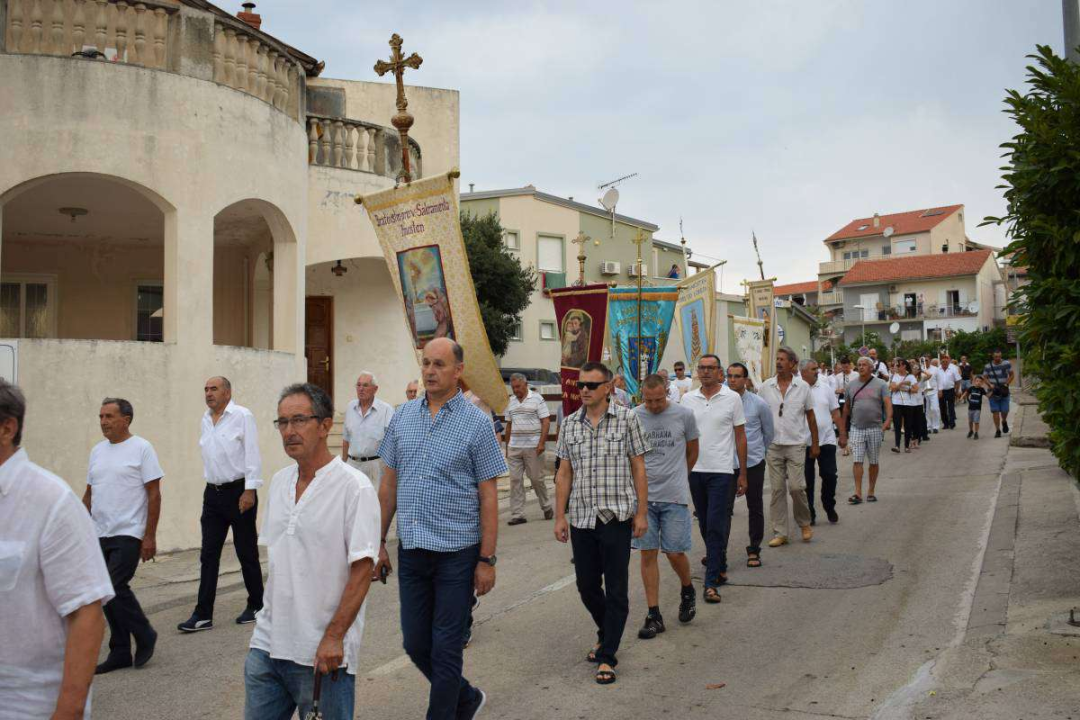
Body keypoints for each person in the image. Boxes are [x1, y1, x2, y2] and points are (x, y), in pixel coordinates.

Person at [375, 338, 506, 717]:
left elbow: (488, 497)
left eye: (439, 365)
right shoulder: (402, 416)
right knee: (416, 643)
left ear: (458, 371)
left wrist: (487, 559)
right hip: (413, 550)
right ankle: (466, 697)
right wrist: (378, 541)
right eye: (426, 364)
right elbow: (389, 486)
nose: (430, 371)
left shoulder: (478, 424)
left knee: (446, 647)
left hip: (457, 554)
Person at [244, 383, 380, 720]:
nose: (289, 431)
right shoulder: (279, 483)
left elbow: (362, 571)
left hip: (323, 654)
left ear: (323, 426)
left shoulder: (354, 487)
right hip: (267, 646)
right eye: (283, 422)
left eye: (299, 420)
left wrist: (334, 637)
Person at [0, 380, 114, 719]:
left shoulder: (51, 501)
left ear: (7, 428)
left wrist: (69, 710)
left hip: (27, 704)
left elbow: (87, 613)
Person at [553, 361, 649, 685]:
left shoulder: (627, 419)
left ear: (608, 387)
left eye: (592, 385)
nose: (584, 390)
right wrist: (559, 515)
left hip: (617, 516)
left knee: (617, 588)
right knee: (586, 585)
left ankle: (608, 655)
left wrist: (642, 512)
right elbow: (564, 472)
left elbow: (639, 467)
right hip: (581, 517)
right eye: (581, 385)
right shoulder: (569, 424)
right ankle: (606, 630)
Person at [179, 376, 264, 633]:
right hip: (213, 495)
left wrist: (250, 490)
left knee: (245, 551)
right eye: (205, 389)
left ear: (227, 392)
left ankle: (258, 605)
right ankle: (203, 614)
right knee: (208, 555)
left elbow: (252, 453)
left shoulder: (242, 415)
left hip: (239, 492)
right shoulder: (205, 419)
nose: (208, 393)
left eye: (213, 389)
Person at [83, 398, 162, 674]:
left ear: (126, 419)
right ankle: (119, 651)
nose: (103, 421)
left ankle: (145, 634)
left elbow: (154, 493)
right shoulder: (97, 451)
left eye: (109, 416)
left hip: (129, 531)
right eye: (101, 416)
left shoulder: (142, 448)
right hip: (99, 532)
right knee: (105, 594)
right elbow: (90, 493)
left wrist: (149, 536)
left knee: (115, 586)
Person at [631, 374, 700, 639]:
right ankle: (654, 614)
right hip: (644, 499)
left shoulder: (684, 415)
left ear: (667, 392)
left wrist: (681, 474)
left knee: (674, 552)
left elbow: (693, 449)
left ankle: (687, 588)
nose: (655, 405)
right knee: (647, 553)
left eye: (659, 399)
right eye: (649, 401)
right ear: (642, 396)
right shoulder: (634, 416)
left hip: (674, 496)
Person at [681, 354, 747, 598]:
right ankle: (718, 566)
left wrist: (743, 473)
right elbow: (682, 435)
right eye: (702, 368)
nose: (706, 372)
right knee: (706, 523)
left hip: (722, 470)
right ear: (697, 371)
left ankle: (710, 583)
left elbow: (740, 436)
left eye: (711, 368)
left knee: (717, 523)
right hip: (695, 470)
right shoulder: (687, 399)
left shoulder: (732, 398)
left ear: (720, 372)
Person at [759, 347, 818, 546]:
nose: (778, 362)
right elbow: (758, 415)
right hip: (773, 445)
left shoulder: (802, 387)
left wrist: (815, 444)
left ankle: (804, 523)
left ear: (792, 364)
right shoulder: (766, 387)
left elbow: (810, 416)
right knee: (777, 490)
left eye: (783, 359)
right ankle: (780, 532)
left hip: (796, 444)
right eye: (777, 358)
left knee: (796, 487)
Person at [725, 362, 773, 568]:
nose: (733, 380)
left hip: (752, 462)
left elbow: (768, 433)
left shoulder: (758, 404)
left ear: (745, 380)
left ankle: (754, 548)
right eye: (730, 376)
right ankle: (718, 552)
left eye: (737, 376)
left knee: (755, 506)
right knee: (723, 510)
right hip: (726, 464)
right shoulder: (722, 402)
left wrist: (758, 453)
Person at [504, 373, 553, 525]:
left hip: (533, 447)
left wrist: (541, 443)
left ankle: (546, 506)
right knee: (515, 480)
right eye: (513, 388)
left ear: (525, 384)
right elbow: (509, 425)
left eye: (518, 387)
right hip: (515, 447)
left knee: (536, 479)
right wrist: (507, 447)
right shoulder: (511, 401)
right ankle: (517, 514)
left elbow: (545, 421)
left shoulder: (537, 398)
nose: (516, 390)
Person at [800, 359, 845, 525]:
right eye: (813, 369)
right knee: (806, 480)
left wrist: (842, 434)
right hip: (804, 442)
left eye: (817, 368)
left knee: (829, 475)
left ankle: (828, 504)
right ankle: (809, 512)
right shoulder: (797, 388)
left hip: (826, 439)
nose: (817, 371)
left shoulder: (825, 388)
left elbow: (835, 412)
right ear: (803, 372)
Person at [843, 358, 893, 504]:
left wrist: (888, 421)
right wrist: (843, 430)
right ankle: (857, 493)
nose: (861, 367)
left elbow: (888, 404)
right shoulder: (851, 385)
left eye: (864, 365)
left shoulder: (881, 384)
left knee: (873, 461)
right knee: (857, 460)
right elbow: (846, 407)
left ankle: (871, 491)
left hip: (875, 428)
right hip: (856, 427)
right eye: (859, 365)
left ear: (871, 368)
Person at [341, 372, 394, 491]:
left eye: (365, 385)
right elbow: (346, 439)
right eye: (358, 385)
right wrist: (344, 464)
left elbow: (392, 442)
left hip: (374, 466)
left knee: (374, 504)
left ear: (375, 389)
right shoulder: (350, 407)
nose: (361, 389)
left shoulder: (386, 410)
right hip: (352, 465)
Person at [889, 359, 918, 454]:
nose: (897, 367)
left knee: (908, 425)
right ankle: (897, 446)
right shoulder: (895, 376)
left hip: (908, 403)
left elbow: (916, 389)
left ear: (904, 366)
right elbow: (892, 388)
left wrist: (905, 389)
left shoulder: (911, 376)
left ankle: (906, 446)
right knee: (897, 424)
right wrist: (901, 384)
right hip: (897, 402)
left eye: (898, 365)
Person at [984, 350, 1015, 438]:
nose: (998, 358)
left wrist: (1006, 383)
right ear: (993, 357)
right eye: (996, 357)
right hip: (993, 391)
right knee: (995, 411)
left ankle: (1004, 421)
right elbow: (984, 377)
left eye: (999, 356)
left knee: (1005, 410)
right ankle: (998, 430)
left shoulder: (1006, 363)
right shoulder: (988, 366)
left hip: (1004, 390)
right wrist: (989, 384)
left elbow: (1012, 375)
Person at [832, 356, 858, 456]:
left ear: (850, 365)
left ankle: (856, 444)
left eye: (847, 367)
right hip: (843, 401)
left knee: (855, 422)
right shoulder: (838, 376)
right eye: (843, 367)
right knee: (844, 423)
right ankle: (846, 447)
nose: (845, 369)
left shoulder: (856, 375)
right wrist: (841, 390)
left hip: (855, 401)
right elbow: (834, 390)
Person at [938, 355, 962, 430]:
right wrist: (938, 391)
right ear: (941, 362)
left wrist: (957, 390)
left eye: (946, 362)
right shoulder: (938, 370)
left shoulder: (953, 369)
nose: (945, 363)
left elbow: (958, 381)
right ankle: (945, 423)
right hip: (941, 390)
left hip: (950, 390)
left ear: (948, 362)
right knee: (942, 408)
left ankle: (952, 423)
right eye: (943, 362)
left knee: (951, 407)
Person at [924, 358, 942, 434]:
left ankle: (936, 426)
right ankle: (928, 426)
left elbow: (939, 380)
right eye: (923, 361)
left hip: (934, 391)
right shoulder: (921, 369)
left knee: (935, 408)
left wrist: (940, 390)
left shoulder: (935, 369)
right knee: (926, 410)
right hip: (924, 392)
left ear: (929, 361)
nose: (925, 362)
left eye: (926, 360)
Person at [967, 375, 987, 439]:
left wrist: (992, 393)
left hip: (977, 408)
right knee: (970, 421)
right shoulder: (971, 388)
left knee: (976, 421)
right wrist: (963, 397)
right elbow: (966, 393)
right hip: (970, 408)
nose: (978, 382)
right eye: (977, 381)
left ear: (982, 383)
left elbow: (987, 395)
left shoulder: (981, 389)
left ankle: (976, 433)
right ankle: (971, 431)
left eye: (980, 381)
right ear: (974, 382)